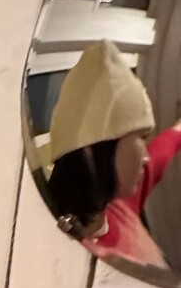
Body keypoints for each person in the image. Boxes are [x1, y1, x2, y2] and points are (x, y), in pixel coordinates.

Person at [45, 39, 181, 273]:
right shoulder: (75, 261)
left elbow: (167, 144)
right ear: (102, 150)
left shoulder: (119, 205)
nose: (145, 158)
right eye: (140, 138)